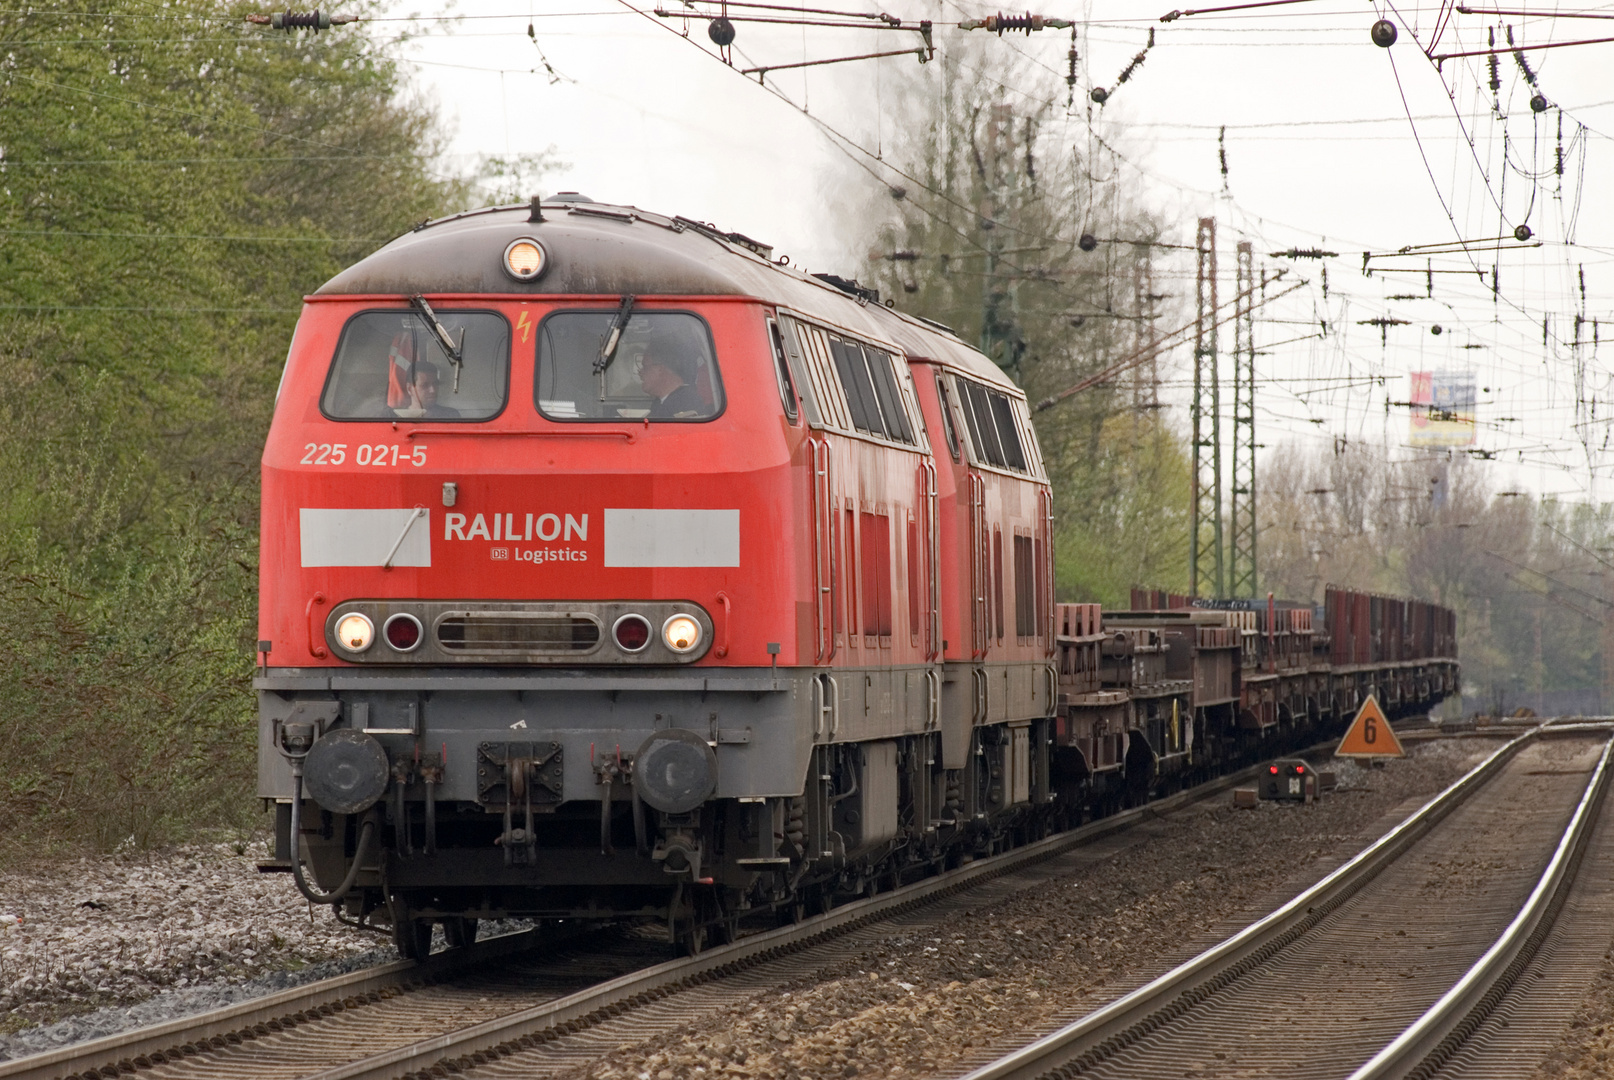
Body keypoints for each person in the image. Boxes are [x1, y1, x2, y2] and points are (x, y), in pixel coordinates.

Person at [636, 344, 705, 418]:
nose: (640, 372)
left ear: (660, 369)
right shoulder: (659, 403)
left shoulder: (686, 403)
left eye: (645, 367)